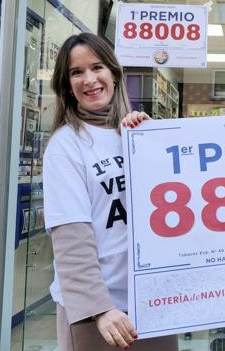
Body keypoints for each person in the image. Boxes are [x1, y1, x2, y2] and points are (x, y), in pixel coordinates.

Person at [44, 33, 175, 350]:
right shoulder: (66, 146)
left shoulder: (136, 134)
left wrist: (148, 140)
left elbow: (169, 207)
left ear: (114, 74)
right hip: (99, 314)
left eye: (97, 67)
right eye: (77, 72)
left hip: (152, 301)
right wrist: (99, 309)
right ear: (67, 84)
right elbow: (71, 239)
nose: (89, 79)